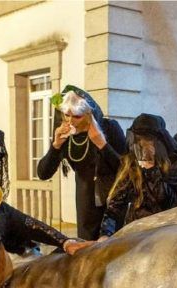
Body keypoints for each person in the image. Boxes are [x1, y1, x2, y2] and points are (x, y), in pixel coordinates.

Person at [37, 85, 127, 240]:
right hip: (86, 201)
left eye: (77, 116)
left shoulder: (109, 128)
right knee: (87, 249)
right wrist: (56, 146)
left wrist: (102, 144)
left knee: (113, 247)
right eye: (66, 115)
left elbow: (126, 170)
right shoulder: (66, 135)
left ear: (89, 114)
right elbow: (43, 173)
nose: (71, 121)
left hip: (113, 198)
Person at [99, 114, 177, 239]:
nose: (143, 145)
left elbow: (170, 201)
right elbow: (115, 204)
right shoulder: (131, 163)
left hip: (166, 231)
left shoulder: (174, 162)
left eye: (148, 140)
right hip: (136, 231)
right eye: (139, 141)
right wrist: (106, 233)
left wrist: (152, 171)